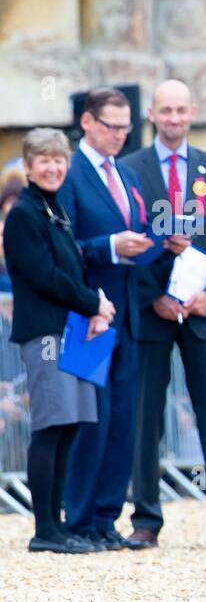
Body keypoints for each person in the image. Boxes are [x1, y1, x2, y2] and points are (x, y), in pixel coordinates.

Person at [119, 78, 206, 549]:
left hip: (202, 310)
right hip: (152, 309)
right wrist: (153, 294)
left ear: (193, 112)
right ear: (152, 114)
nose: (173, 118)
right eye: (165, 110)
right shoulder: (129, 168)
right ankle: (146, 519)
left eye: (180, 110)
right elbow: (125, 241)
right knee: (145, 416)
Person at [58, 86, 170, 551]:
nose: (121, 135)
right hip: (89, 312)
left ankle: (106, 517)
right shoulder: (70, 172)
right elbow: (60, 246)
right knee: (90, 418)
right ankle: (79, 518)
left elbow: (137, 232)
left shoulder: (124, 173)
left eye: (127, 127)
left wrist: (157, 243)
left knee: (123, 417)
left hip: (128, 310)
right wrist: (109, 246)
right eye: (112, 126)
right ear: (87, 122)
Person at [2, 128, 117, 552]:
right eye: (44, 160)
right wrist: (93, 304)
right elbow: (44, 276)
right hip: (47, 331)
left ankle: (59, 523)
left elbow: (70, 270)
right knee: (50, 426)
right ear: (28, 166)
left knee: (69, 427)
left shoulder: (54, 210)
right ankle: (44, 529)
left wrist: (93, 307)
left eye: (58, 160)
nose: (52, 167)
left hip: (71, 330)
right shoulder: (25, 214)